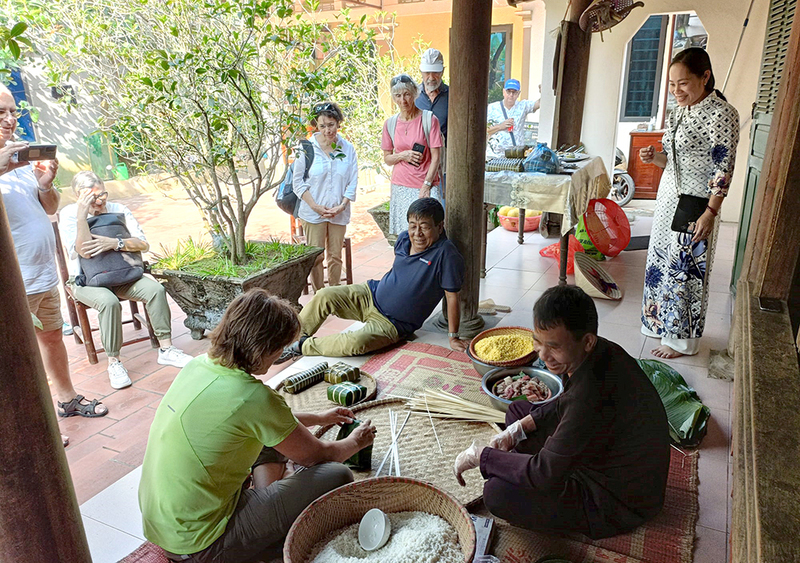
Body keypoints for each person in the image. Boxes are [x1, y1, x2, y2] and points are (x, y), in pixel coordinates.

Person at [138, 289, 375, 562]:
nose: (281, 354)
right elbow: (319, 455)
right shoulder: (254, 397)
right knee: (337, 475)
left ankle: (265, 497)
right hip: (201, 545)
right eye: (280, 348)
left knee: (265, 438)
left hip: (164, 525)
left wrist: (320, 417)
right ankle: (267, 520)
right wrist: (357, 441)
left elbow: (269, 422)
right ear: (264, 349)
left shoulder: (199, 366)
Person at [454, 285, 670, 540]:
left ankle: (520, 472)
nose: (543, 356)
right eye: (538, 342)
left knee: (497, 494)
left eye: (554, 347)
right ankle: (520, 458)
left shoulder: (589, 394)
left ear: (587, 341)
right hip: (597, 450)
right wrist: (519, 428)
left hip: (615, 500)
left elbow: (544, 471)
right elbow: (564, 403)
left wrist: (483, 457)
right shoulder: (601, 350)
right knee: (518, 412)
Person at [0, 85, 107, 447]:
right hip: (12, 285)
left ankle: (66, 399)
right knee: (19, 360)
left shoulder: (20, 160)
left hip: (41, 275)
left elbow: (48, 208)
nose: (10, 120)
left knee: (50, 339)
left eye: (12, 111)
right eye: (0, 113)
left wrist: (45, 184)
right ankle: (34, 425)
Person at [277, 198, 468, 363]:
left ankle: (301, 347)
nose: (417, 233)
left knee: (356, 343)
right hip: (371, 294)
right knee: (324, 295)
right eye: (412, 226)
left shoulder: (447, 255)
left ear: (439, 226)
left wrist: (453, 337)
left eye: (424, 227)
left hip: (393, 324)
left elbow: (452, 297)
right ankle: (288, 341)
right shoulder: (404, 239)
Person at [639, 48, 739, 359]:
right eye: (671, 84)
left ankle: (682, 341)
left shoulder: (722, 113)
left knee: (687, 269)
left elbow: (724, 167)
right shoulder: (679, 111)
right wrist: (653, 157)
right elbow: (671, 160)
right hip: (669, 199)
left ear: (705, 77)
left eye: (683, 83)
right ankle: (661, 324)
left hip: (697, 202)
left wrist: (711, 213)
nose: (676, 91)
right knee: (663, 263)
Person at [60, 171, 193, 389]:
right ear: (78, 196)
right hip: (86, 281)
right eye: (93, 198)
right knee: (109, 303)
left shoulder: (119, 210)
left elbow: (142, 244)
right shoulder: (69, 215)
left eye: (102, 194)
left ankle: (167, 349)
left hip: (123, 275)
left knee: (155, 290)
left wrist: (115, 243)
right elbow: (83, 251)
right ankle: (114, 361)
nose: (100, 201)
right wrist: (82, 217)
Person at [294, 102, 357, 292]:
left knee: (335, 256)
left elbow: (353, 180)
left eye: (331, 124)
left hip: (339, 211)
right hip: (313, 213)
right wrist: (314, 206)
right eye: (322, 126)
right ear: (316, 126)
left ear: (338, 123)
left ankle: (335, 295)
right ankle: (320, 296)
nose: (327, 130)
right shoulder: (305, 148)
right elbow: (298, 181)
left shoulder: (347, 148)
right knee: (316, 257)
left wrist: (343, 205)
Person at [382, 73, 443, 236]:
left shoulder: (429, 119)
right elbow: (387, 158)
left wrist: (427, 185)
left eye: (407, 94)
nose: (403, 100)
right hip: (400, 185)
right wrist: (403, 155)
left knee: (428, 233)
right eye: (398, 95)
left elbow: (436, 157)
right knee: (405, 235)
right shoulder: (390, 124)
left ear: (415, 93)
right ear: (393, 97)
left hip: (425, 185)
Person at [415, 48, 449, 197]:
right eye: (427, 72)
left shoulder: (452, 95)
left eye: (435, 72)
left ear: (442, 71)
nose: (431, 77)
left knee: (444, 201)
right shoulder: (413, 95)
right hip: (419, 160)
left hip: (445, 158)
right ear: (421, 72)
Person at [486, 79, 540, 159]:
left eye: (514, 92)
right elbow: (483, 130)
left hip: (516, 156)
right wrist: (500, 126)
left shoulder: (523, 106)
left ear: (518, 94)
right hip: (495, 156)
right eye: (508, 91)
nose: (511, 95)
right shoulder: (491, 108)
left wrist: (544, 91)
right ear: (503, 92)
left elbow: (538, 103)